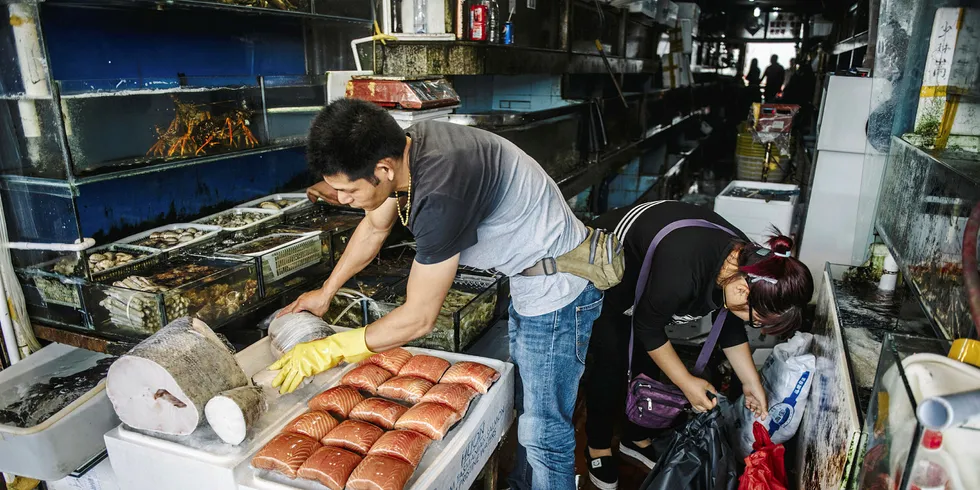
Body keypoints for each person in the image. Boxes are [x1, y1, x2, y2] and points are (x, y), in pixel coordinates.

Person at [269, 98, 608, 490]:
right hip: (530, 278)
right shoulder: (406, 151)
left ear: (383, 169)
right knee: (529, 410)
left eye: (348, 190)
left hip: (556, 289)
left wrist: (331, 349)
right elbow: (375, 229)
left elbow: (420, 316)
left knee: (544, 431)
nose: (342, 200)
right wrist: (326, 292)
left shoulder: (440, 188)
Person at [582, 200, 813, 490]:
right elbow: (648, 328)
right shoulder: (684, 270)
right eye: (755, 320)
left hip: (651, 283)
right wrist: (687, 384)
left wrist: (750, 381)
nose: (751, 324)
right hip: (608, 271)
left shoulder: (747, 263)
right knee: (612, 357)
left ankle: (635, 437)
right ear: (743, 290)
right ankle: (598, 445)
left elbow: (727, 320)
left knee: (648, 359)